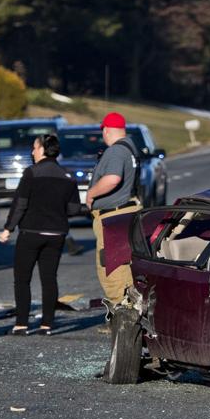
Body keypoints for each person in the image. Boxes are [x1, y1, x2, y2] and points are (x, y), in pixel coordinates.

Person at [0, 134, 79, 335]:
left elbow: (20, 204)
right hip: (56, 233)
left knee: (22, 279)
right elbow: (74, 209)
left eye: (34, 148)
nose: (32, 152)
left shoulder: (31, 173)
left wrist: (8, 228)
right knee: (49, 278)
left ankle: (21, 324)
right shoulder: (67, 176)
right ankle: (47, 325)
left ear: (42, 149)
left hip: (31, 232)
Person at [85, 112, 140, 308]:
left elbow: (113, 179)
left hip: (113, 216)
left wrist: (91, 194)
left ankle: (122, 313)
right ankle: (130, 308)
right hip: (125, 212)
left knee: (112, 267)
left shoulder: (116, 151)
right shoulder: (130, 147)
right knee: (124, 265)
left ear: (106, 130)